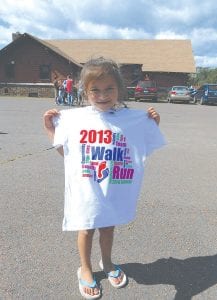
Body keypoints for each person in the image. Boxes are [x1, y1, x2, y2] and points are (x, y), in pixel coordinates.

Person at [43, 57, 166, 299]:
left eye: (109, 88)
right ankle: (85, 268)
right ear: (85, 92)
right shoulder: (75, 119)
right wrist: (50, 128)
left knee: (108, 228)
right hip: (87, 190)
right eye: (95, 90)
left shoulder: (131, 120)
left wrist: (152, 124)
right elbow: (66, 154)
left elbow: (141, 148)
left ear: (119, 89)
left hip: (113, 189)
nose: (102, 95)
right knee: (86, 229)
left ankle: (107, 263)